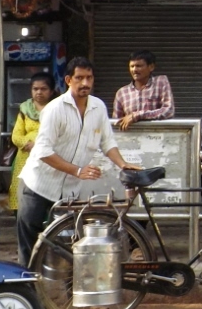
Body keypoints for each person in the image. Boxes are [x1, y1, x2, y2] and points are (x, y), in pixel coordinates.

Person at [16, 57, 141, 266]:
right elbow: (43, 151)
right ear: (68, 80)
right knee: (30, 242)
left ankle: (68, 292)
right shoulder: (55, 109)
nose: (85, 83)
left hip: (69, 191)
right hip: (38, 185)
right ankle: (28, 290)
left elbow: (107, 142)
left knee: (70, 242)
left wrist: (122, 164)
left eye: (89, 78)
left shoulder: (98, 107)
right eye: (79, 78)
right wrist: (77, 170)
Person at [7, 71, 57, 215]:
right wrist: (28, 143)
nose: (39, 92)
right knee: (23, 196)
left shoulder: (57, 109)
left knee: (45, 199)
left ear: (51, 91)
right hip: (25, 158)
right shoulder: (24, 109)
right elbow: (16, 136)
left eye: (43, 89)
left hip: (50, 160)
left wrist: (39, 146)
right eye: (35, 89)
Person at [112, 50, 174, 131]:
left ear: (151, 67)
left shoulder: (161, 82)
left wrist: (137, 115)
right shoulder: (122, 93)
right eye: (132, 66)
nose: (134, 70)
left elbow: (168, 111)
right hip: (132, 140)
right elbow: (116, 123)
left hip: (158, 138)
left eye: (139, 66)